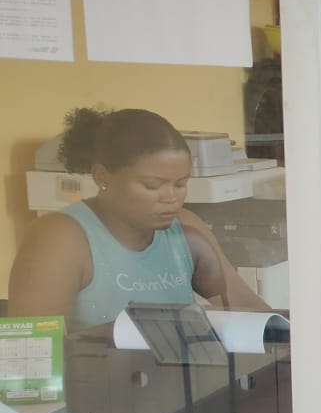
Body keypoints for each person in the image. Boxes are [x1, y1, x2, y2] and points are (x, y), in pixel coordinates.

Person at [9, 107, 268, 329]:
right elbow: (32, 348)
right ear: (103, 177)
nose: (171, 197)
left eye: (180, 184)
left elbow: (250, 310)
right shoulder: (60, 239)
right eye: (152, 185)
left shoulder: (185, 228)